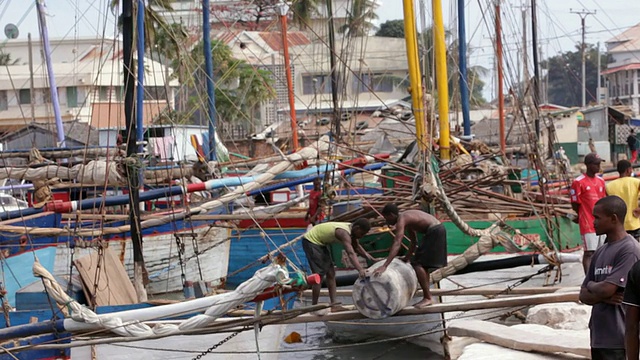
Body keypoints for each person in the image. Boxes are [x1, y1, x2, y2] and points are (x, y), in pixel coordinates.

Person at [579, 196, 640, 360]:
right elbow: (582, 295)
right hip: (599, 338)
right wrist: (597, 289)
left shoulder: (630, 250)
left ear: (613, 218)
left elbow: (607, 289)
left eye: (597, 217)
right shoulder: (600, 251)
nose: (593, 222)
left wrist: (594, 287)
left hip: (619, 341)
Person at [374, 204, 447, 308]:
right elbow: (413, 242)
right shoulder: (407, 219)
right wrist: (406, 258)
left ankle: (428, 298)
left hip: (434, 231)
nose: (387, 221)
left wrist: (385, 265)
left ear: (391, 215)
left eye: (387, 218)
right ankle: (428, 296)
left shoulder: (402, 219)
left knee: (417, 264)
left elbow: (397, 243)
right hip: (437, 230)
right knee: (422, 264)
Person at [302, 218, 376, 312]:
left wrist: (372, 259)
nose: (361, 236)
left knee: (331, 274)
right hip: (311, 241)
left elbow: (357, 248)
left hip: (320, 243)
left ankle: (334, 305)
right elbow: (350, 253)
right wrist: (360, 269)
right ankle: (313, 306)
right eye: (361, 234)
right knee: (318, 275)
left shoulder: (351, 232)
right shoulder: (343, 233)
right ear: (357, 228)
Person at [571, 152, 607, 274]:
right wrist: (581, 214)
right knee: (589, 252)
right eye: (596, 164)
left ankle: (599, 274)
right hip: (588, 222)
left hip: (601, 222)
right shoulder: (578, 182)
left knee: (601, 251)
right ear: (589, 165)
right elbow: (575, 203)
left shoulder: (601, 181)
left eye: (599, 164)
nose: (598, 167)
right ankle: (588, 278)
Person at [606, 160, 640, 241]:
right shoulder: (636, 182)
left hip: (617, 226)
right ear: (629, 170)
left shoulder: (609, 186)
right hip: (633, 224)